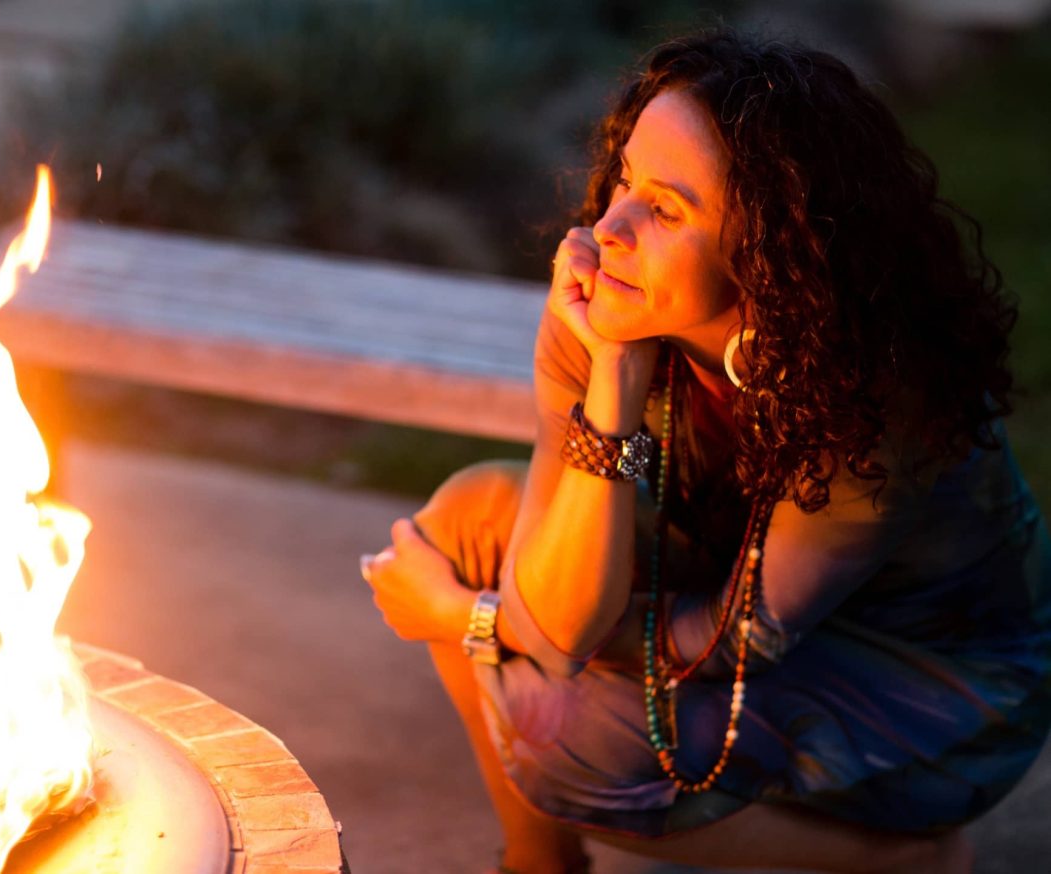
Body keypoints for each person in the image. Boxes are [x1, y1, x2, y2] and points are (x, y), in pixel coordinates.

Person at [360, 28, 1050, 874]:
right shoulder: (607, 299)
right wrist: (610, 370)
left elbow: (728, 641)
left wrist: (465, 618)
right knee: (472, 521)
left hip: (940, 688)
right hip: (746, 598)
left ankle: (902, 858)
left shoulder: (870, 396)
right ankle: (538, 865)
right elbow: (561, 617)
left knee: (573, 746)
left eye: (666, 208)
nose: (607, 225)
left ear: (768, 250)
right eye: (623, 179)